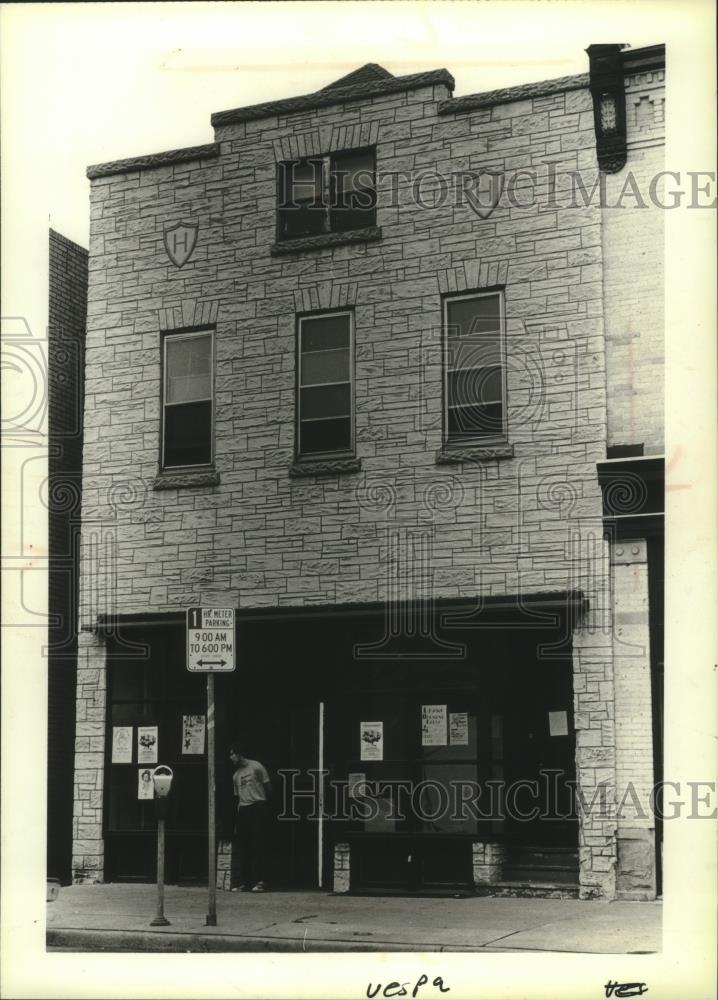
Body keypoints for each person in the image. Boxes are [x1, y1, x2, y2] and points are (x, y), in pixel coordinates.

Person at [229, 745, 272, 892]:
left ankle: (261, 880)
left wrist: (265, 805)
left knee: (258, 844)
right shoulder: (236, 775)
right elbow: (237, 797)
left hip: (258, 806)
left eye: (232, 754)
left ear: (239, 754)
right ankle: (246, 882)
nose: (231, 758)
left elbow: (268, 787)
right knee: (244, 846)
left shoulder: (256, 767)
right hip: (244, 809)